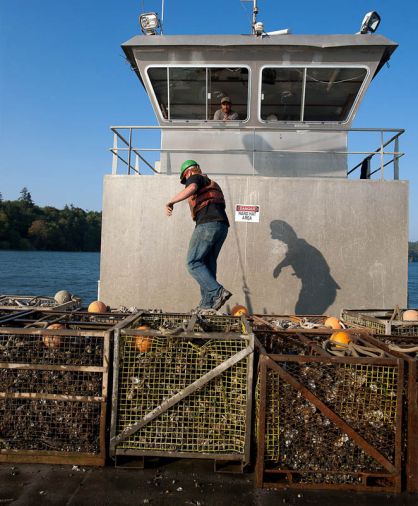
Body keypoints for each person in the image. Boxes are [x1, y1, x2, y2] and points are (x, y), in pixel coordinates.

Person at [165, 160, 232, 311]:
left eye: (185, 180)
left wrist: (171, 202)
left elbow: (192, 187)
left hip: (208, 225)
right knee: (207, 264)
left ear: (188, 172)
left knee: (193, 262)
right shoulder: (211, 182)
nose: (186, 183)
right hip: (222, 227)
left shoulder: (195, 177)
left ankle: (217, 292)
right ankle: (207, 305)